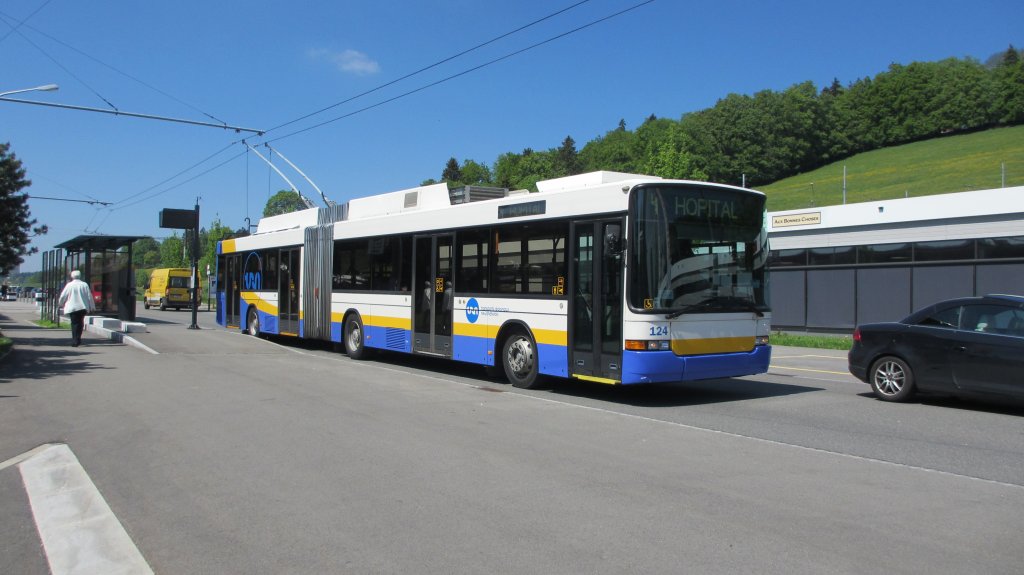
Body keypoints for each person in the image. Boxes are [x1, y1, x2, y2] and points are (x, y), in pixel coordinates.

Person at [58, 270, 96, 347]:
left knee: (74, 323)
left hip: (72, 307)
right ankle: (78, 338)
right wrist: (92, 306)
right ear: (80, 276)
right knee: (80, 322)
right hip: (82, 307)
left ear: (72, 276)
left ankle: (75, 340)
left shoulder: (69, 285)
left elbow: (63, 296)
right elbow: (89, 296)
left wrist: (60, 304)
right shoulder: (84, 285)